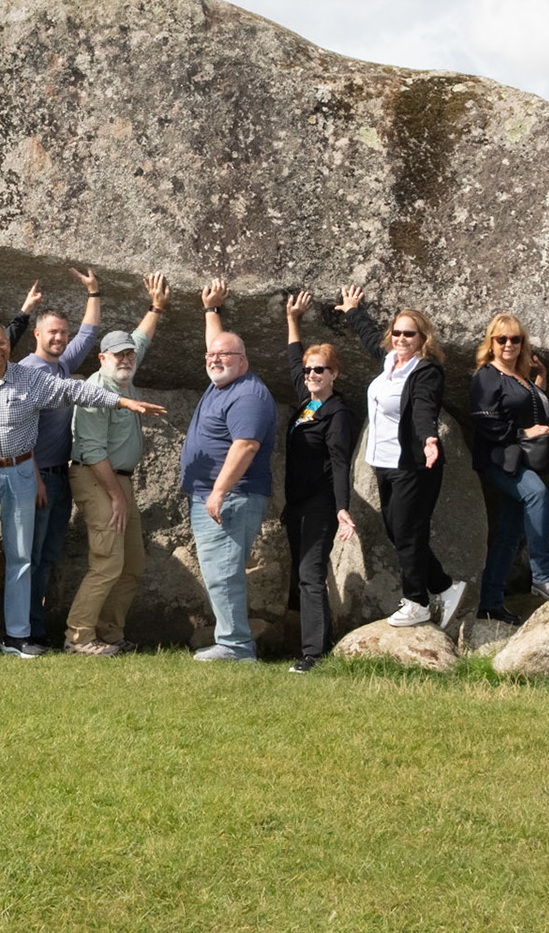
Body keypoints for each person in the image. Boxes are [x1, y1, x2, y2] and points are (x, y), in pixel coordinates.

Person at [0, 321, 165, 657]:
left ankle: (16, 636)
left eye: (1, 343)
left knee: (20, 557)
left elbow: (76, 391)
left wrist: (123, 403)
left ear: (9, 346)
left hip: (19, 471)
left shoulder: (29, 378)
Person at [336, 285, 468, 632]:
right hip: (383, 463)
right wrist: (353, 311)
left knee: (409, 532)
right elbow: (369, 338)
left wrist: (429, 439)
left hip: (413, 464)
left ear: (423, 337)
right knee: (397, 531)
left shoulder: (426, 372)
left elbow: (425, 407)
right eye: (396, 332)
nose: (401, 338)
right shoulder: (390, 362)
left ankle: (417, 601)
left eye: (409, 334)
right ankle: (442, 585)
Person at [61, 272, 171, 656]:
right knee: (107, 562)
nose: (127, 359)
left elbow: (141, 340)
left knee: (131, 565)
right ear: (102, 357)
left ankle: (110, 632)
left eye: (129, 354)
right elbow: (91, 451)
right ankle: (78, 637)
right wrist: (117, 496)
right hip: (97, 479)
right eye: (118, 355)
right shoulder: (97, 389)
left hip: (118, 481)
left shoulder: (125, 376)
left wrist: (155, 307)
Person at [182, 279, 279, 663]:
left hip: (231, 497)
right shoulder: (225, 381)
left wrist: (219, 491)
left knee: (223, 573)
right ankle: (230, 641)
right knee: (219, 571)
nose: (215, 359)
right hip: (214, 494)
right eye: (211, 356)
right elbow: (217, 345)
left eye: (224, 357)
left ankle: (237, 647)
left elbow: (246, 446)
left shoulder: (247, 394)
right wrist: (212, 310)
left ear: (244, 361)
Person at [10, 267, 102, 646]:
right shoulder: (28, 371)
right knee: (27, 559)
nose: (61, 338)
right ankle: (21, 631)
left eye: (63, 333)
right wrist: (33, 478)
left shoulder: (62, 365)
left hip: (59, 477)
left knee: (46, 559)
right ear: (38, 335)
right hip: (37, 478)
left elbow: (89, 334)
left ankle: (35, 628)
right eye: (53, 333)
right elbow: (17, 430)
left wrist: (93, 293)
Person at [470, 313, 549, 623]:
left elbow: (540, 413)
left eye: (516, 339)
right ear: (491, 343)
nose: (509, 344)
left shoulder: (522, 377)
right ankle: (542, 574)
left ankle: (490, 602)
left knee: (509, 535)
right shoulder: (486, 375)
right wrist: (523, 433)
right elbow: (484, 420)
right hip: (499, 460)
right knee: (537, 494)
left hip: (519, 459)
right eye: (502, 339)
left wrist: (539, 381)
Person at [281, 292, 357, 673]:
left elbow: (341, 462)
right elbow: (294, 362)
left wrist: (343, 508)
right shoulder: (309, 404)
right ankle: (315, 644)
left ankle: (312, 654)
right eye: (311, 370)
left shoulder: (336, 414)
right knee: (303, 575)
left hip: (320, 506)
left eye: (320, 370)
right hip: (296, 505)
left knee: (310, 576)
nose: (311, 375)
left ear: (334, 374)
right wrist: (293, 318)